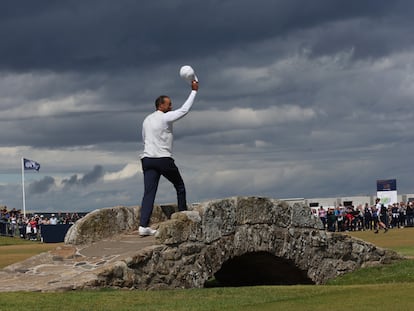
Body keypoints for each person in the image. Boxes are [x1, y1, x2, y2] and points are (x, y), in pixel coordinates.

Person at [138, 79, 199, 236]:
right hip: (163, 159)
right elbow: (184, 110)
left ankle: (143, 226)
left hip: (147, 159)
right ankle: (183, 216)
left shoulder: (146, 120)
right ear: (161, 106)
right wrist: (194, 91)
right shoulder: (165, 117)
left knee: (149, 192)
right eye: (169, 104)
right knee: (179, 186)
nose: (171, 106)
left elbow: (144, 138)